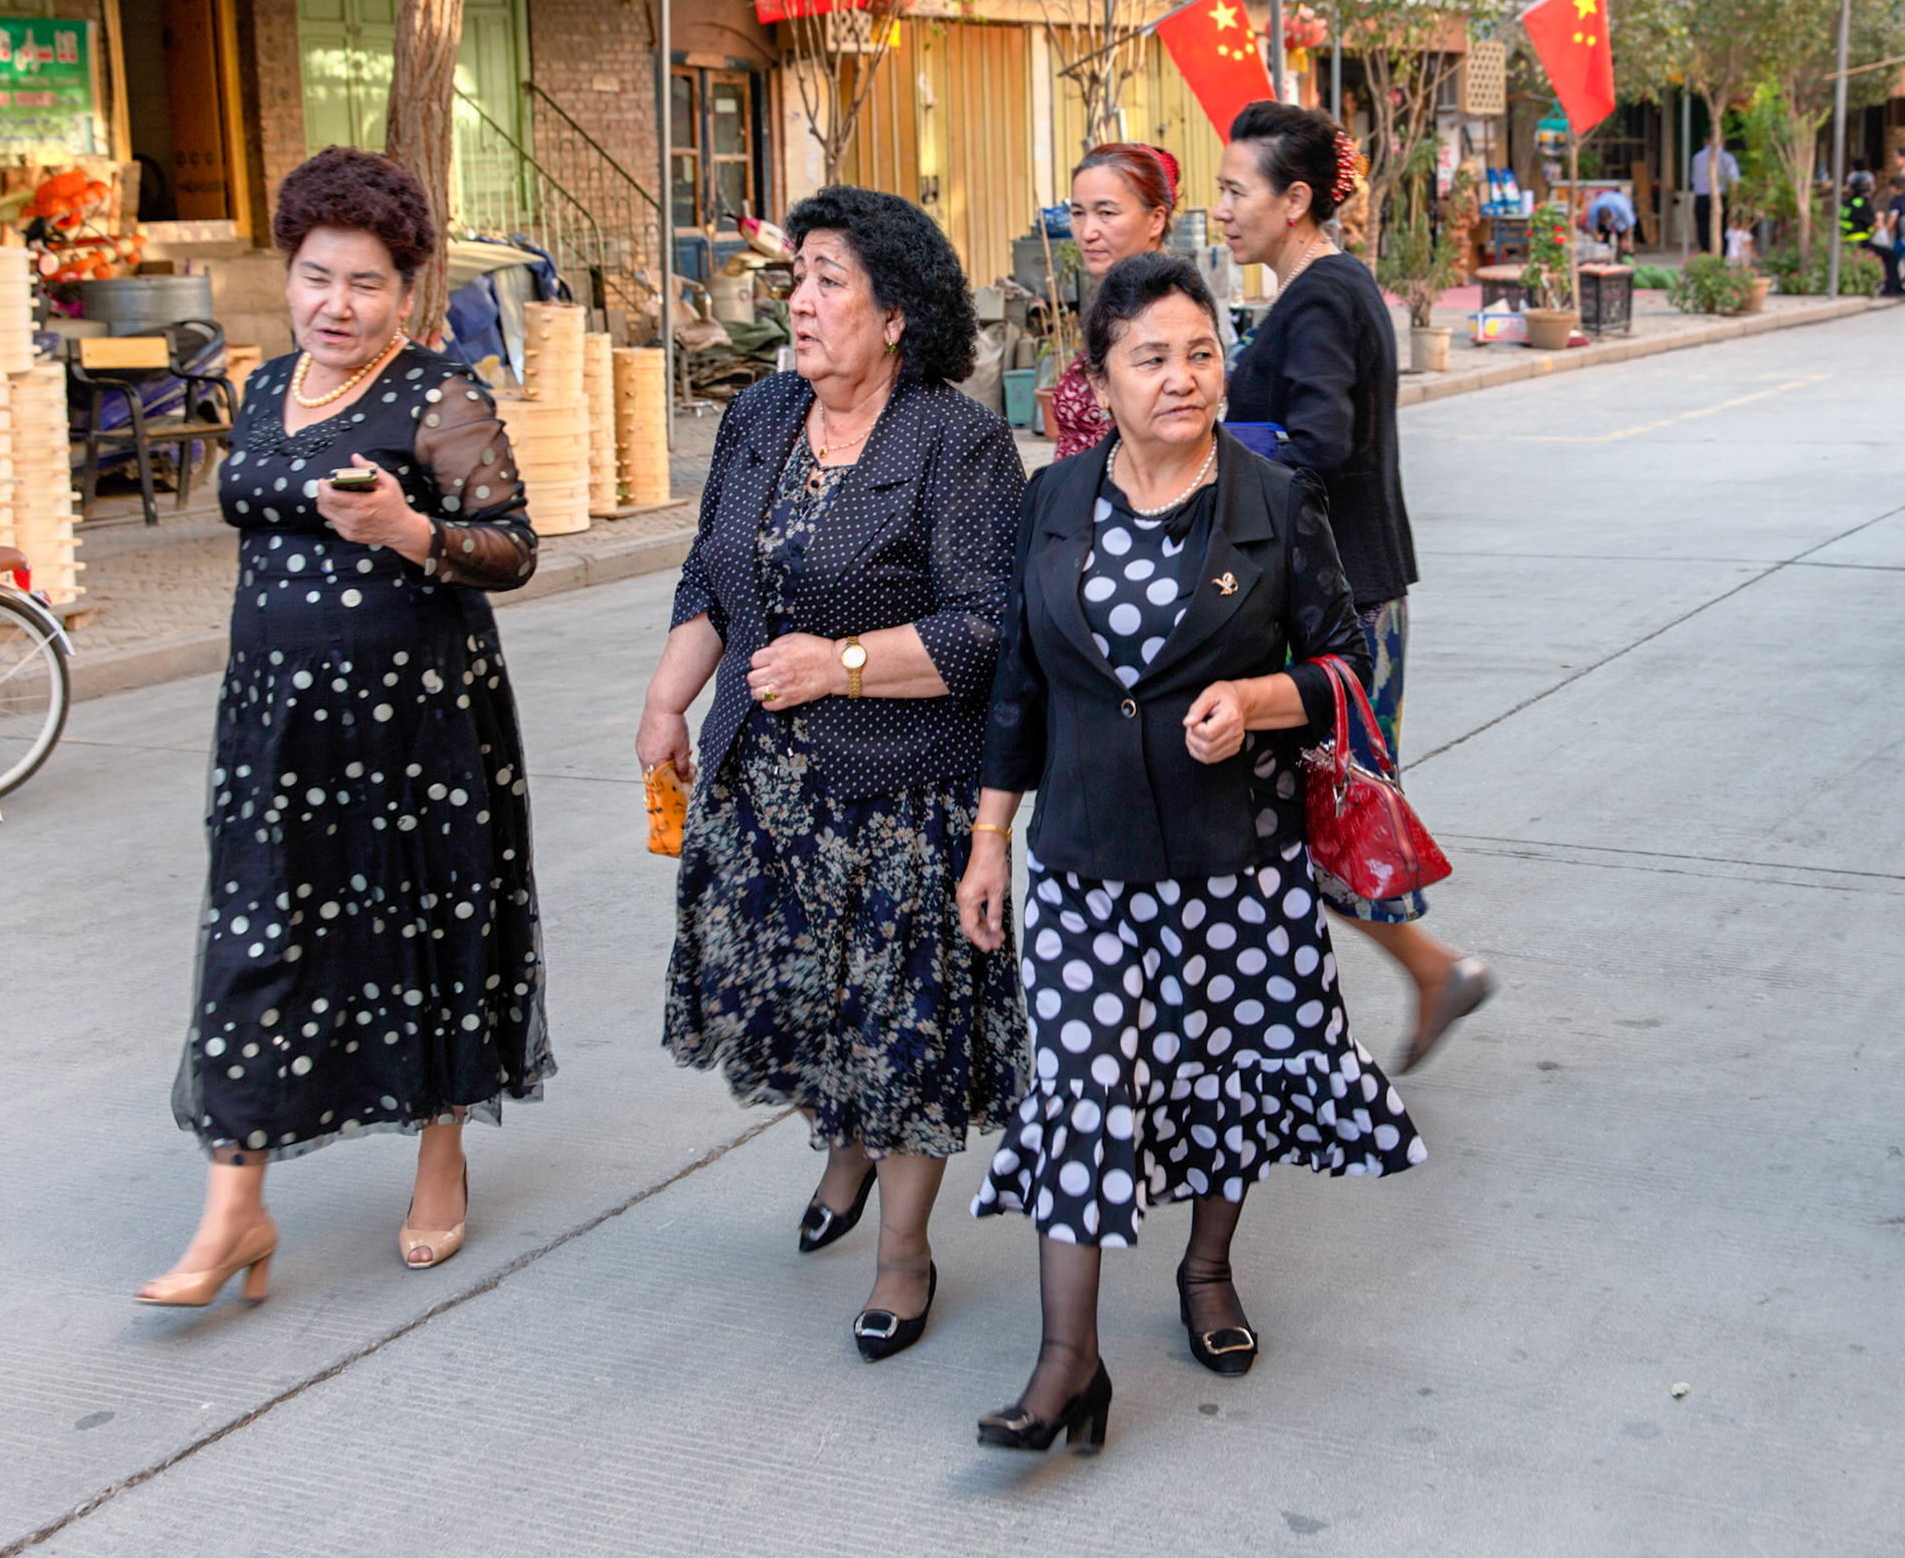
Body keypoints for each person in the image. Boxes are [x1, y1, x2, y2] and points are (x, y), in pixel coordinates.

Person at [958, 252, 1424, 1455]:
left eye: (1201, 352)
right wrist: (991, 837)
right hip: (1081, 856)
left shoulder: (1274, 500)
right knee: (1079, 1087)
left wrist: (1261, 701)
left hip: (1236, 861)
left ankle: (1206, 1271)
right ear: (1101, 380)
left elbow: (1346, 669)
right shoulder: (1052, 499)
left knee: (1226, 1077)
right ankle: (1068, 1360)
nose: (1184, 378)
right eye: (1152, 358)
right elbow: (1020, 680)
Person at [138, 148, 551, 1307]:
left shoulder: (439, 397)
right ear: (290, 273)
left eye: (366, 283)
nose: (337, 304)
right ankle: (235, 1209)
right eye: (318, 277)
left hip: (417, 722)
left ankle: (440, 1152)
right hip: (274, 724)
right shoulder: (267, 389)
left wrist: (409, 533)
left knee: (423, 924)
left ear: (407, 293)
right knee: (252, 938)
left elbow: (514, 547)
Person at [641, 186, 1029, 1360]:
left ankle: (903, 1252)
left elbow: (988, 632)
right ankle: (841, 1143)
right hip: (771, 792)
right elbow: (715, 577)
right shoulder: (758, 417)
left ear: (896, 313)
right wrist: (669, 696)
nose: (800, 305)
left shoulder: (953, 442)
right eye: (795, 279)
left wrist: (842, 663)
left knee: (904, 1036)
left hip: (906, 795)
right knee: (813, 1012)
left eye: (827, 282)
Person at [1218, 102, 1490, 1071]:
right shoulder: (1321, 292)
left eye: (1234, 191)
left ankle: (1425, 973)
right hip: (1341, 600)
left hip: (1343, 611)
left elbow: (1321, 444)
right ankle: (1329, 1020)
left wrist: (1216, 458)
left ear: (1294, 201)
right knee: (1302, 823)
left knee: (1323, 818)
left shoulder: (1324, 297)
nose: (1222, 211)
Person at [1048, 142, 1180, 460]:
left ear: (1156, 220)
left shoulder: (1166, 311)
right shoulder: (1118, 301)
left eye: (1106, 213)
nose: (1087, 231)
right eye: (1078, 213)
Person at [1691, 139, 1739, 254]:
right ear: (1722, 141)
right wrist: (1734, 201)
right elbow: (1734, 181)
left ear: (1705, 141)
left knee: (1703, 229)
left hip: (1701, 197)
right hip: (1720, 196)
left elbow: (1694, 179)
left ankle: (1705, 254)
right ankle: (1722, 256)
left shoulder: (1697, 157)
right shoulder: (1727, 157)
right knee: (1723, 229)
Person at [1584, 188, 1636, 261]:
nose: (1605, 224)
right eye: (1603, 222)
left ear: (1611, 217)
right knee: (1603, 242)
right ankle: (1604, 261)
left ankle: (1626, 259)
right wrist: (1596, 236)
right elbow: (1591, 227)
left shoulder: (1622, 209)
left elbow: (1630, 224)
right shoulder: (1594, 212)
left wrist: (1623, 239)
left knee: (1624, 244)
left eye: (1606, 222)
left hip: (1620, 216)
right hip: (1606, 205)